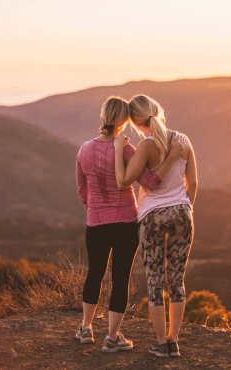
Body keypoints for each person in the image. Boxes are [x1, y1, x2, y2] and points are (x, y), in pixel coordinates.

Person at [75, 96, 184, 353]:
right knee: (120, 278)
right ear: (124, 121)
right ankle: (112, 338)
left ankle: (86, 328)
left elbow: (82, 190)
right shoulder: (127, 150)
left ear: (103, 117)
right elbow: (150, 182)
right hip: (126, 223)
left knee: (95, 273)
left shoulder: (84, 150)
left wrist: (94, 207)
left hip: (97, 222)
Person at [114, 94, 198, 358]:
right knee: (177, 279)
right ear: (158, 111)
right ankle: (175, 340)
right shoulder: (183, 141)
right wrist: (186, 209)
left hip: (152, 217)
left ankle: (162, 343)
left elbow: (127, 180)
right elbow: (193, 184)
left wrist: (119, 151)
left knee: (155, 281)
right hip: (183, 213)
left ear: (137, 124)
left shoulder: (146, 147)